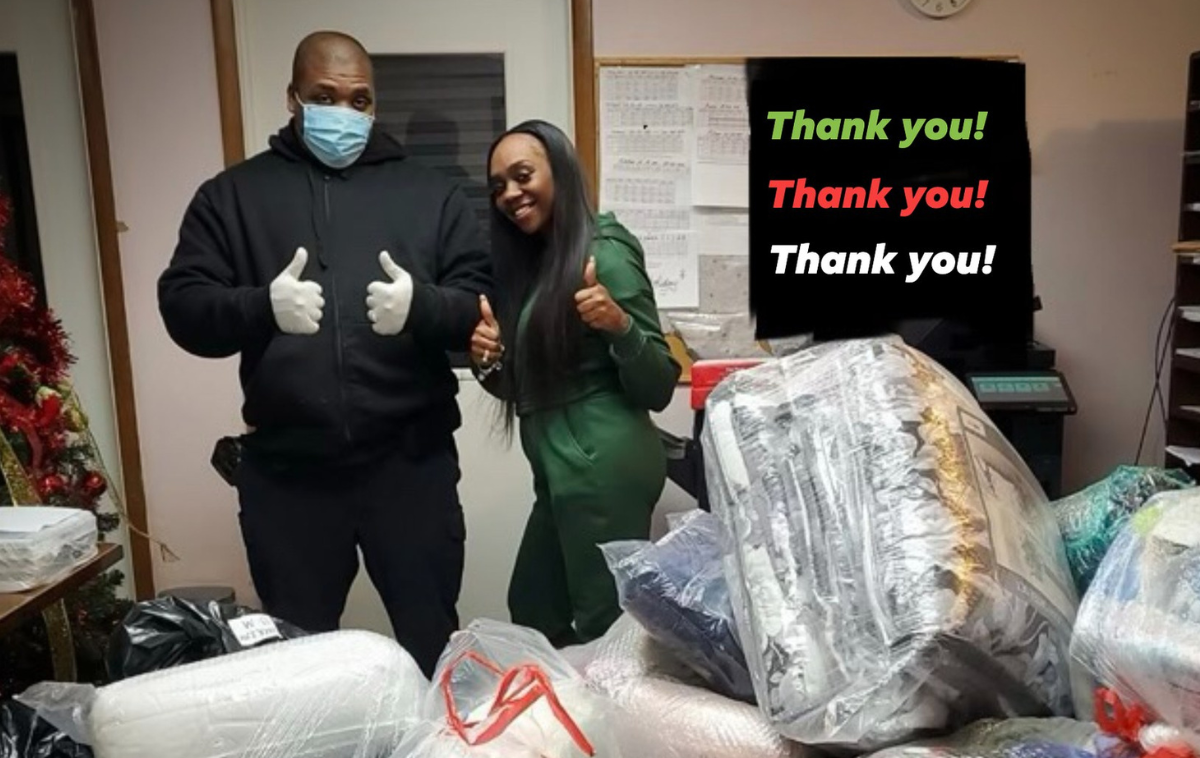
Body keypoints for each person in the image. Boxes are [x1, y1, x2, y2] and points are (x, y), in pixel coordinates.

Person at [157, 30, 491, 676]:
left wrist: (422, 307)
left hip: (410, 466)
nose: (345, 112)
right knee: (298, 667)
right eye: (325, 96)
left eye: (360, 99)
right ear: (293, 99)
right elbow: (181, 304)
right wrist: (261, 308)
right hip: (290, 478)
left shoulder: (431, 194)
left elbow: (482, 300)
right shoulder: (233, 197)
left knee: (433, 650)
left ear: (374, 105)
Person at [470, 120, 681, 647]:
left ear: (560, 171)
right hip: (562, 465)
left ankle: (612, 728)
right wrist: (490, 363)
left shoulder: (603, 252)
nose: (510, 195)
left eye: (522, 176)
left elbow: (658, 381)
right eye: (498, 187)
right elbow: (533, 390)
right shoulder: (541, 265)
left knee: (601, 627)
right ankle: (571, 724)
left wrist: (619, 324)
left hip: (600, 460)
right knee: (535, 605)